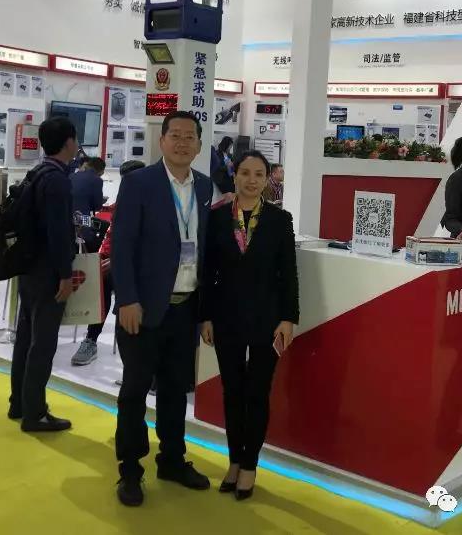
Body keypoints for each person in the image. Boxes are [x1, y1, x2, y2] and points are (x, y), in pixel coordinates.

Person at [111, 111, 213, 507]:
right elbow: (122, 246)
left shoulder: (204, 186)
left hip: (185, 308)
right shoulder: (139, 183)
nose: (183, 143)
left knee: (175, 390)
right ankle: (130, 470)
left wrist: (206, 310)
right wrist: (127, 299)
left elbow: (205, 248)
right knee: (135, 391)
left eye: (190, 137)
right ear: (162, 141)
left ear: (199, 145)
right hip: (143, 308)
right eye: (176, 135)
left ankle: (171, 459)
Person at [201, 150, 299, 501]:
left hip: (267, 320)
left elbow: (288, 273)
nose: (252, 180)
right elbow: (207, 271)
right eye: (245, 172)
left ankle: (249, 465)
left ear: (266, 178)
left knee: (257, 393)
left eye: (259, 174)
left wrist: (288, 318)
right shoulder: (217, 218)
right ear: (235, 176)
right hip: (226, 317)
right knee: (232, 392)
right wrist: (205, 316)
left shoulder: (279, 219)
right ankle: (233, 460)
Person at [9, 117, 79, 433]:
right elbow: (59, 232)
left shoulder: (37, 173)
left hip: (29, 269)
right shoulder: (58, 180)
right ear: (68, 142)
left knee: (26, 338)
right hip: (48, 273)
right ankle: (35, 413)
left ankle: (19, 403)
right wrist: (65, 274)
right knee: (43, 343)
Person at [71, 159, 145, 367]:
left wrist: (115, 261)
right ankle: (91, 340)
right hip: (107, 261)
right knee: (100, 282)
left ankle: (132, 356)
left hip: (131, 267)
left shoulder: (149, 209)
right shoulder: (118, 206)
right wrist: (80, 221)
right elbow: (101, 224)